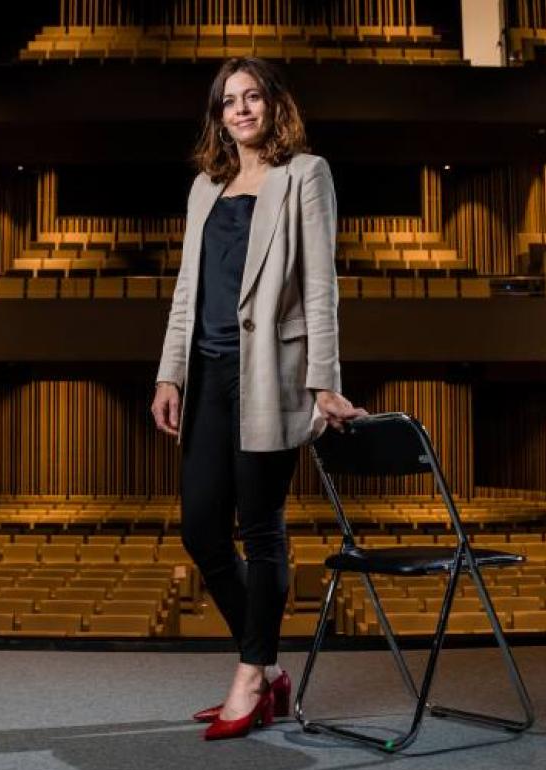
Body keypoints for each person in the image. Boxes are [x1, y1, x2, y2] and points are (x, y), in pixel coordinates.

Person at [151, 57, 367, 741]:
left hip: (271, 372)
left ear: (275, 105)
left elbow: (321, 285)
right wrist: (169, 374)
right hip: (209, 374)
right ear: (218, 116)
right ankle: (268, 666)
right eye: (228, 101)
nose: (240, 109)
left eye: (252, 97)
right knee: (201, 530)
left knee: (262, 529)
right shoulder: (203, 188)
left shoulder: (307, 174)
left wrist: (324, 380)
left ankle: (250, 674)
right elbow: (187, 291)